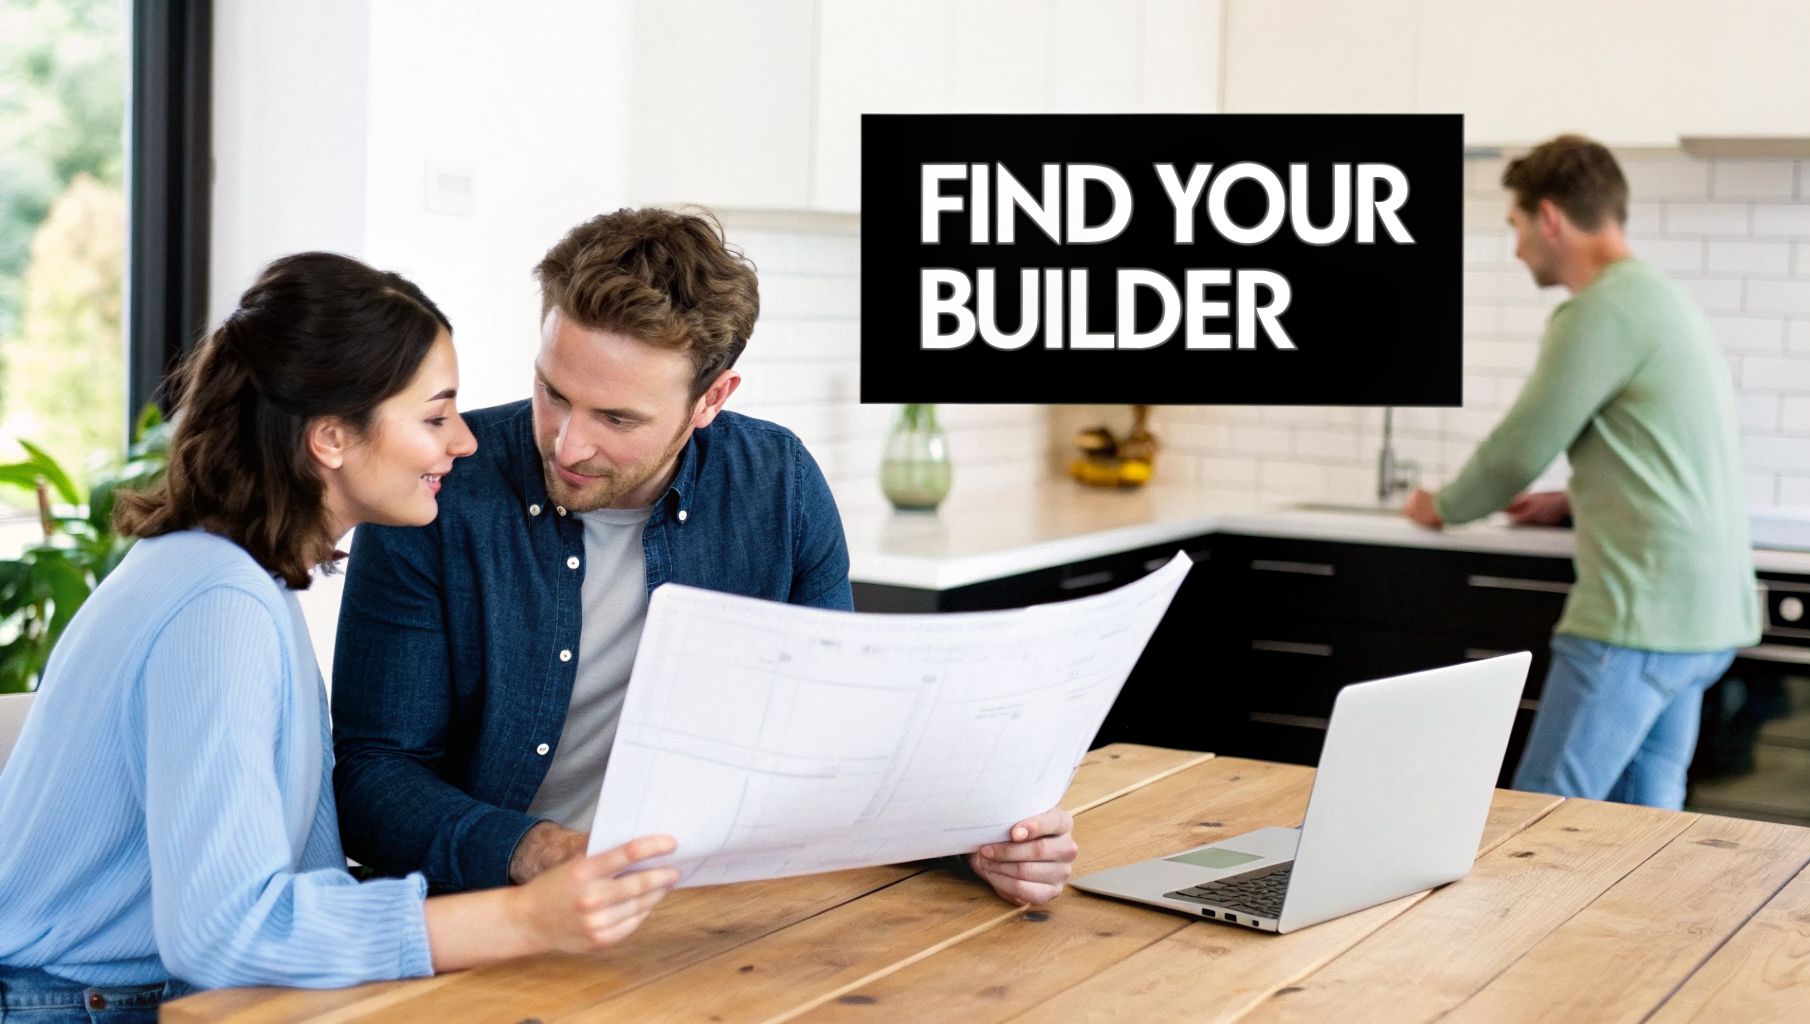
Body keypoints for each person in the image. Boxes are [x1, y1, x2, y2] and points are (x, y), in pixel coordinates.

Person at [331, 208, 1078, 905]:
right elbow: (372, 779)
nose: (567, 444)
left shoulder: (779, 486)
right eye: (553, 392)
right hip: (496, 911)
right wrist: (540, 851)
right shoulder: (438, 493)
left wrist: (974, 842)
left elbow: (838, 745)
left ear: (712, 399)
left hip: (720, 906)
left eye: (617, 418)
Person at [0, 254, 679, 1021]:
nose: (464, 442)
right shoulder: (218, 606)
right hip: (92, 1007)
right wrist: (523, 919)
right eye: (435, 418)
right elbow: (223, 932)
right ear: (330, 438)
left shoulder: (222, 573)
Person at [1404, 135, 1761, 810]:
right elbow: (1672, 450)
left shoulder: (1600, 310)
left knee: (1540, 820)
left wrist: (1443, 505)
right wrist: (1571, 500)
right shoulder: (1662, 299)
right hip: (1704, 616)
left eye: (1514, 226)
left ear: (1549, 217)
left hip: (1637, 616)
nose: (1516, 249)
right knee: (1643, 826)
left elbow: (1516, 452)